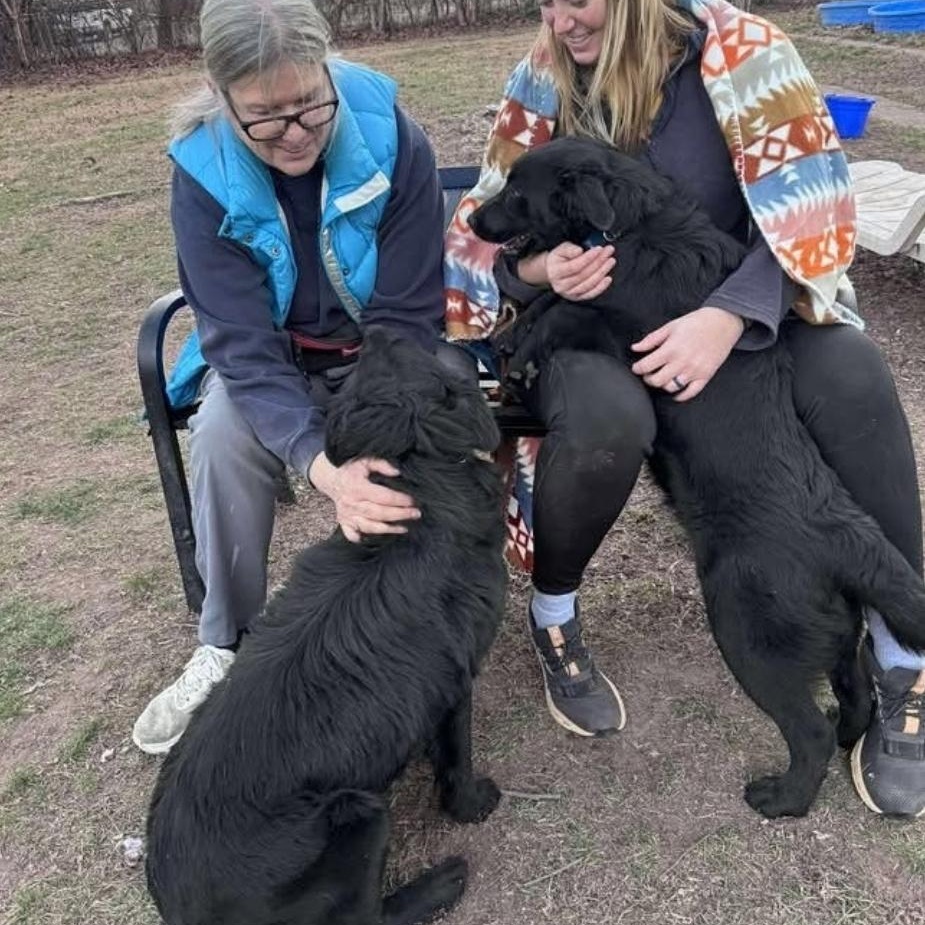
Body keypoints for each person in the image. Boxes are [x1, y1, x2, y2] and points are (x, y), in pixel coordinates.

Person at [445, 0, 925, 817]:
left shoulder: (747, 56)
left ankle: (901, 655)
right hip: (600, 329)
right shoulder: (543, 77)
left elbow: (815, 218)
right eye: (546, 1)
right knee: (607, 422)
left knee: (850, 372)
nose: (560, 19)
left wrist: (727, 316)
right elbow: (480, 235)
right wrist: (539, 277)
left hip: (746, 309)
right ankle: (554, 612)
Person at [133, 0, 463, 755]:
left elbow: (409, 312)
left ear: (328, 72)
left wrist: (375, 416)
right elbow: (242, 351)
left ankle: (420, 608)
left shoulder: (392, 139)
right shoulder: (203, 172)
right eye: (264, 116)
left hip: (385, 348)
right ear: (223, 99)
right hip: (278, 360)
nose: (295, 132)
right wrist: (324, 466)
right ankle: (223, 640)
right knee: (220, 431)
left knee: (439, 406)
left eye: (309, 103)